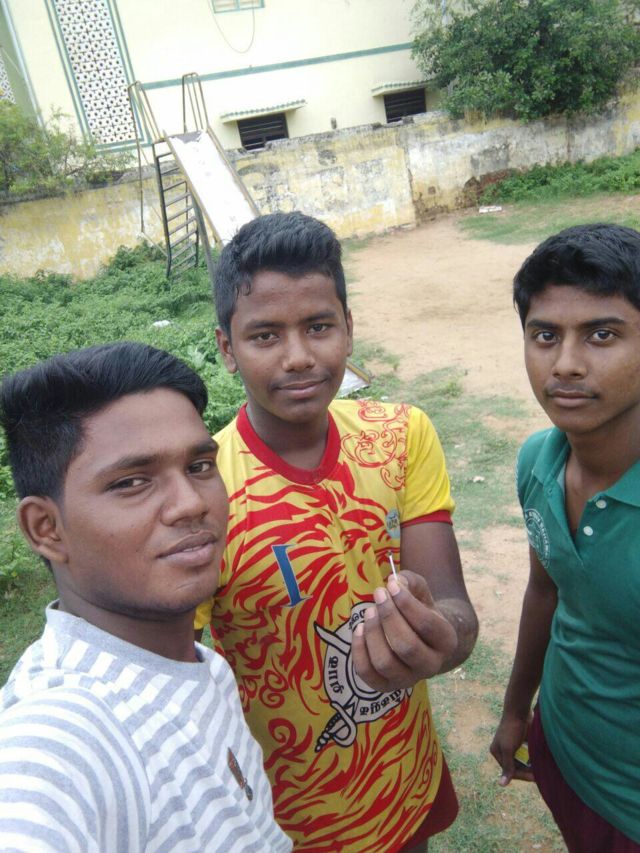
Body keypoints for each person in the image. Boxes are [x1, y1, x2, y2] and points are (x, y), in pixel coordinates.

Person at [194, 212, 479, 852]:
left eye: (319, 326)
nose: (299, 357)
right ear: (226, 348)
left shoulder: (400, 437)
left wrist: (440, 635)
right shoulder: (203, 496)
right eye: (265, 335)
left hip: (405, 779)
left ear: (349, 328)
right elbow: (175, 682)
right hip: (287, 821)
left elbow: (454, 608)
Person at [0, 342, 292, 853]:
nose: (191, 504)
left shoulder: (204, 666)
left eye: (199, 466)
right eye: (132, 482)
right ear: (46, 528)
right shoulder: (60, 730)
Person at [490, 223, 640, 851]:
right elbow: (545, 590)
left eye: (602, 334)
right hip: (563, 749)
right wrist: (515, 710)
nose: (566, 365)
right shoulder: (538, 460)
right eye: (545, 335)